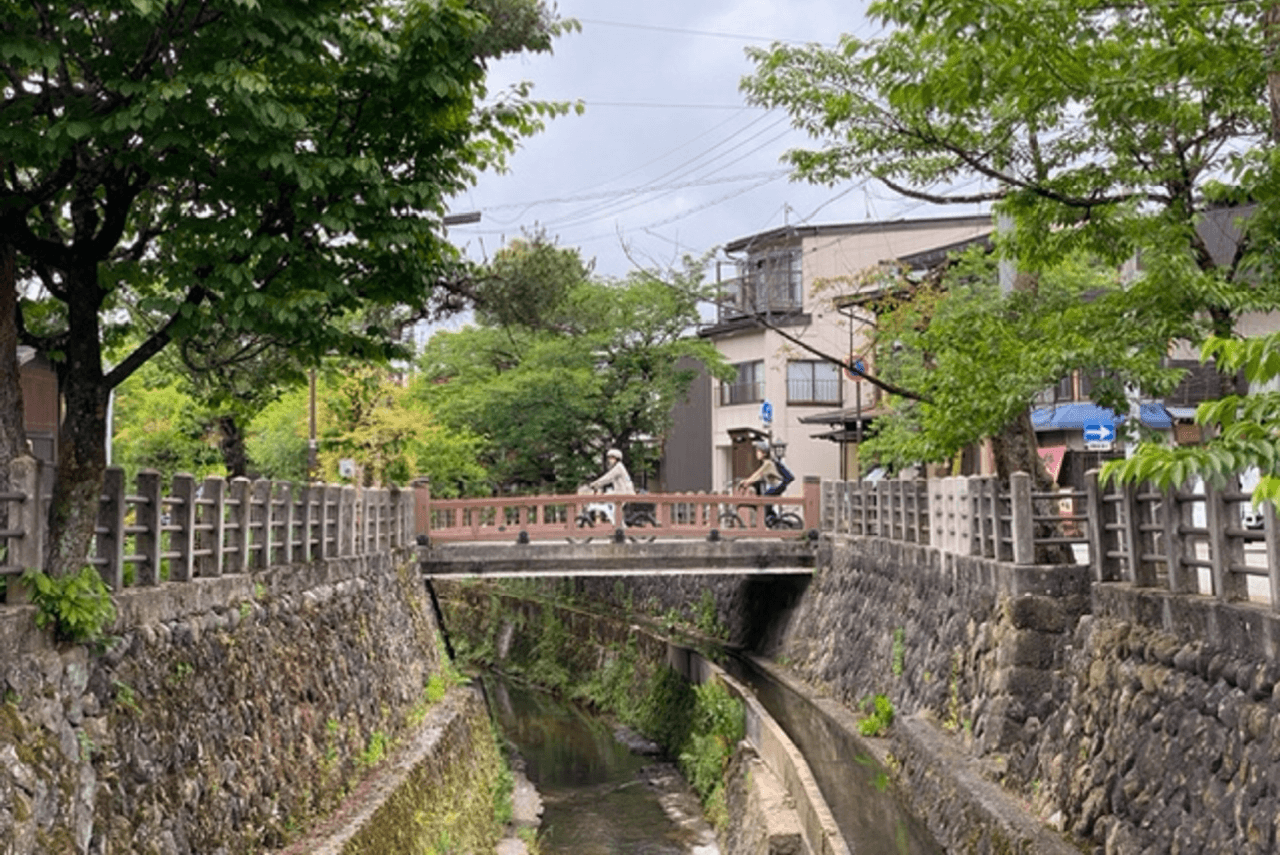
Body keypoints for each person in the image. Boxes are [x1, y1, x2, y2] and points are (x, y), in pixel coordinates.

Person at [587, 448, 634, 524]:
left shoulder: (618, 467)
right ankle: (617, 525)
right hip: (620, 492)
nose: (610, 460)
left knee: (616, 512)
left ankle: (620, 530)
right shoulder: (618, 467)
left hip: (623, 493)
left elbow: (608, 478)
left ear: (617, 458)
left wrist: (595, 484)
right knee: (609, 501)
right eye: (609, 458)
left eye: (612, 458)